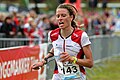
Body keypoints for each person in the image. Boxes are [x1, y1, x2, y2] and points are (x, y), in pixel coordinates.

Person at [30, 3, 93, 80]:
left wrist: (72, 59)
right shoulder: (52, 34)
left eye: (63, 15)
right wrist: (43, 61)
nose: (60, 18)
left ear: (71, 17)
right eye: (58, 16)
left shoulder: (81, 36)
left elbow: (90, 63)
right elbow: (55, 49)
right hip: (58, 76)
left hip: (77, 77)